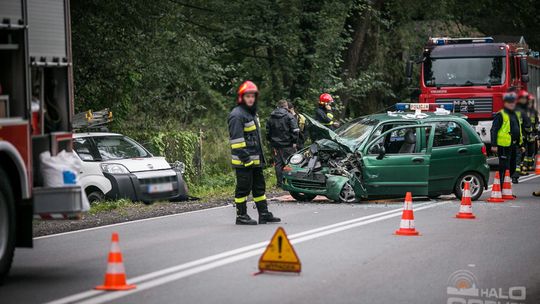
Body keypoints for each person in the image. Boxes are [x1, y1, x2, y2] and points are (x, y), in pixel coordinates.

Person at [228, 80, 280, 225]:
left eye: (253, 96)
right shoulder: (237, 115)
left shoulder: (251, 113)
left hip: (255, 161)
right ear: (241, 98)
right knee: (243, 189)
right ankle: (241, 216)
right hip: (244, 162)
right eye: (247, 96)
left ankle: (264, 214)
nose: (250, 99)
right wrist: (247, 161)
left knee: (259, 188)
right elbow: (237, 143)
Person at [266, 99, 299, 188]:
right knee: (291, 163)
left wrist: (272, 142)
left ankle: (280, 184)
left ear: (278, 106)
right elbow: (295, 131)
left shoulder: (271, 117)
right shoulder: (289, 116)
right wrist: (294, 142)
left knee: (278, 164)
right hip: (288, 145)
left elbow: (267, 132)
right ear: (286, 107)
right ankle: (292, 183)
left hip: (276, 146)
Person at [490, 91, 522, 185]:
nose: (512, 104)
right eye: (509, 102)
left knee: (512, 166)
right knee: (504, 166)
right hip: (503, 145)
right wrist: (494, 144)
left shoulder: (515, 114)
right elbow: (494, 130)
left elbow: (518, 129)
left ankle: (506, 187)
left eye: (513, 102)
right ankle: (501, 186)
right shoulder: (501, 114)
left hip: (513, 144)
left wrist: (521, 144)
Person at [515, 89, 532, 178]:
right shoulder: (523, 111)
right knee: (521, 153)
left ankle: (518, 169)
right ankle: (519, 170)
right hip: (522, 136)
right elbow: (528, 124)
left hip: (512, 136)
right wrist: (530, 133)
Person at [526, 94, 538, 171]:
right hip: (525, 136)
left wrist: (537, 135)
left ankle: (530, 165)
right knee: (524, 152)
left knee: (532, 151)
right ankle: (524, 166)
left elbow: (536, 124)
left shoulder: (534, 112)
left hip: (532, 136)